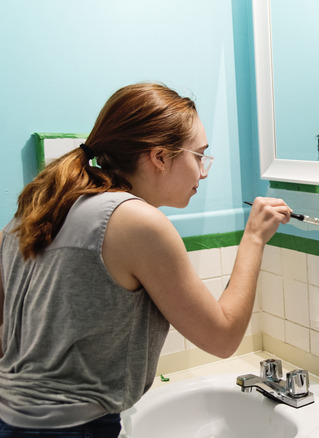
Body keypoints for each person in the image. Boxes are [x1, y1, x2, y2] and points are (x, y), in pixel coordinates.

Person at [0, 83, 291, 436]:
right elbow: (223, 337)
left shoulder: (37, 210)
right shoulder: (137, 221)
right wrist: (254, 238)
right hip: (71, 428)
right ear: (159, 158)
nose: (204, 171)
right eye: (199, 155)